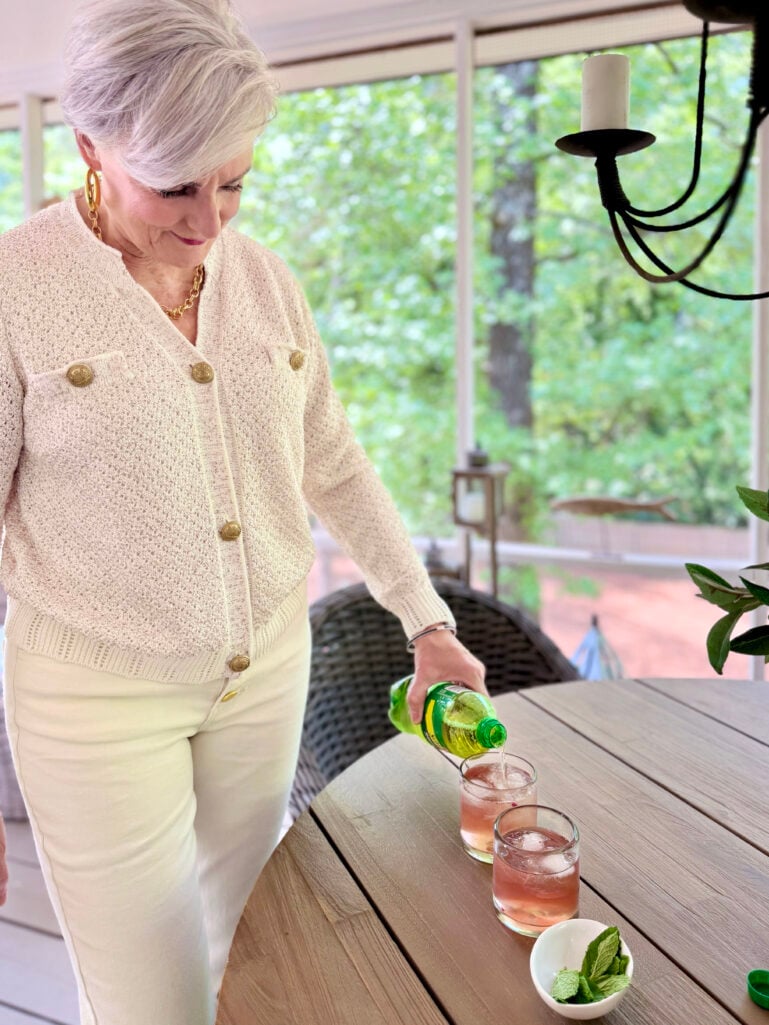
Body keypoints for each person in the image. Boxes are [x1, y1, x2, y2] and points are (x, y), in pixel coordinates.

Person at [0, 1, 486, 1022]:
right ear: (90, 146)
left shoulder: (265, 280)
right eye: (174, 185)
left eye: (234, 181)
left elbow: (335, 464)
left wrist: (426, 619)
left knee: (256, 958)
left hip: (266, 667)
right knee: (152, 1000)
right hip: (95, 698)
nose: (209, 219)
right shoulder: (16, 290)